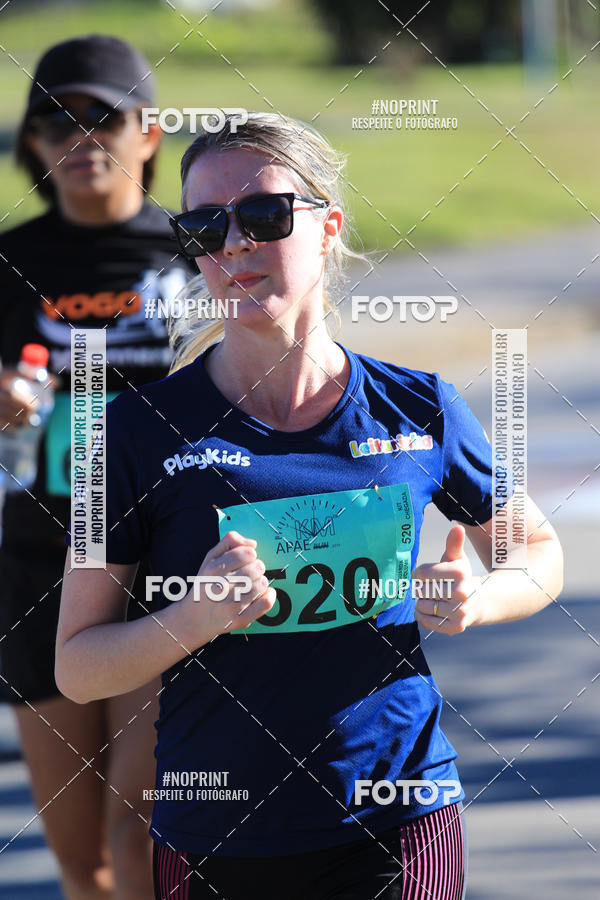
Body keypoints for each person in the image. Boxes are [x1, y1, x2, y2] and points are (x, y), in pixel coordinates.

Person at [56, 111, 563, 900]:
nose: (233, 245)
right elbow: (77, 666)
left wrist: (480, 598)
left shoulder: (420, 406)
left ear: (327, 228)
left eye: (263, 216)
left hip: (398, 815)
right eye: (204, 227)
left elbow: (537, 550)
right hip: (215, 835)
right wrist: (192, 618)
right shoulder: (126, 432)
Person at [0, 35, 194, 899]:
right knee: (84, 862)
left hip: (165, 562)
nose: (80, 137)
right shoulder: (9, 261)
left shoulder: (196, 252)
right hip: (39, 559)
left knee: (141, 831)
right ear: (33, 144)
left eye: (102, 116)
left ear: (149, 132)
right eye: (55, 120)